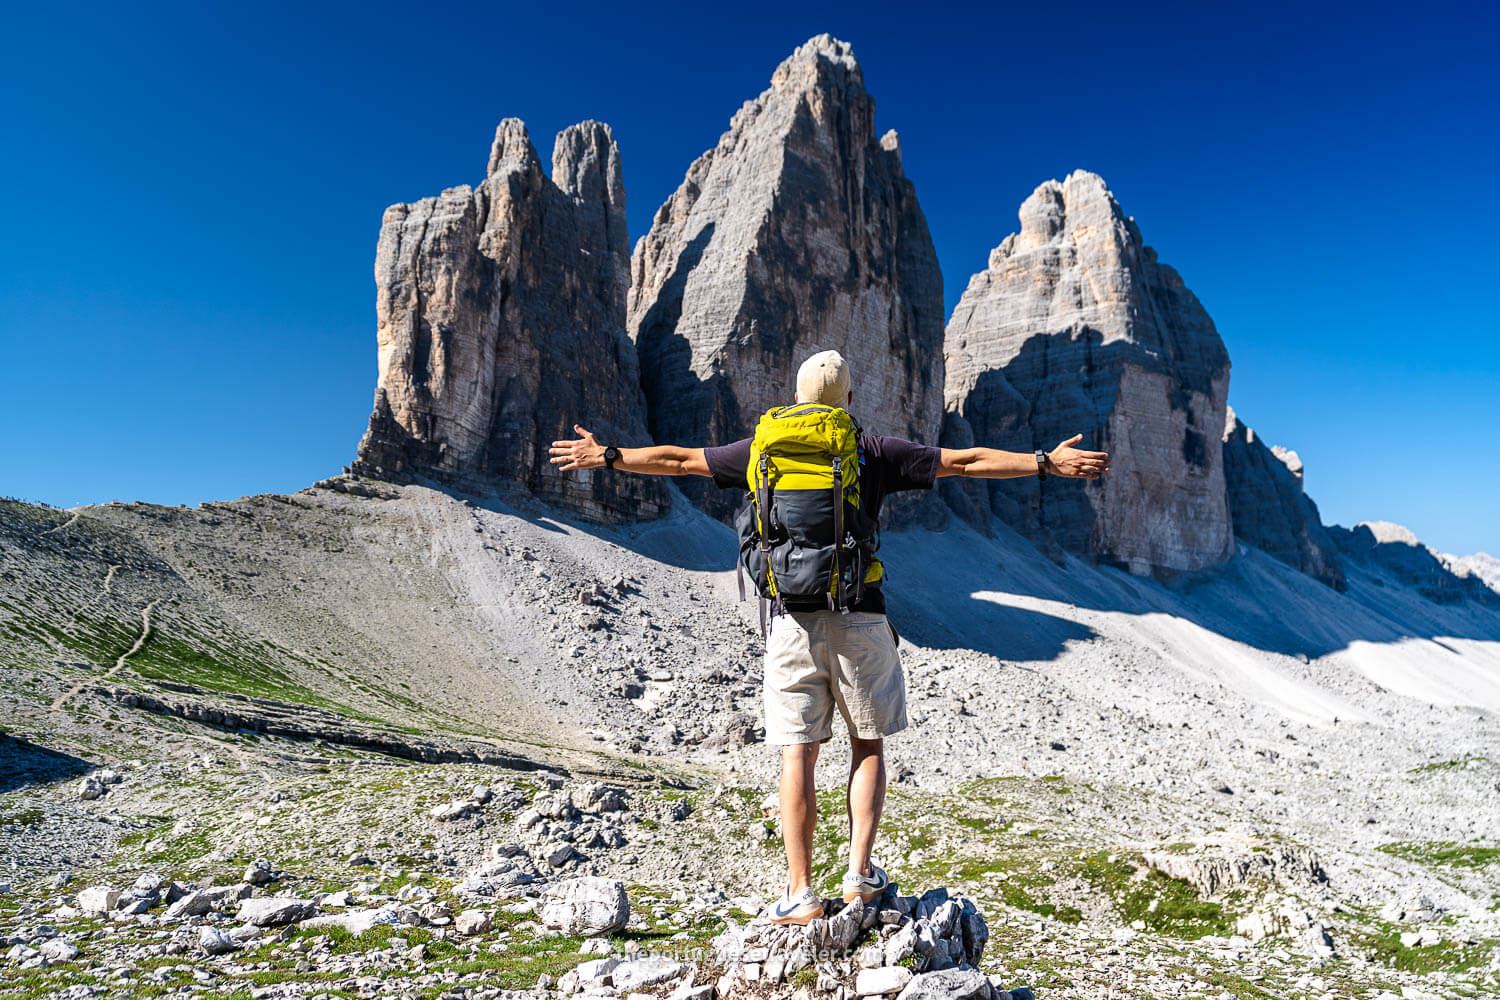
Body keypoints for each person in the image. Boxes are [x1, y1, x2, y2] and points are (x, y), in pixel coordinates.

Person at [549, 350, 1109, 925]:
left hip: (790, 621)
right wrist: (1044, 462)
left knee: (799, 753)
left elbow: (680, 460)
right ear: (846, 400)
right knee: (867, 744)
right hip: (860, 617)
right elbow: (964, 463)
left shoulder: (762, 449)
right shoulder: (872, 451)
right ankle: (860, 877)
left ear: (795, 397)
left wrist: (609, 456)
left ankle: (798, 893)